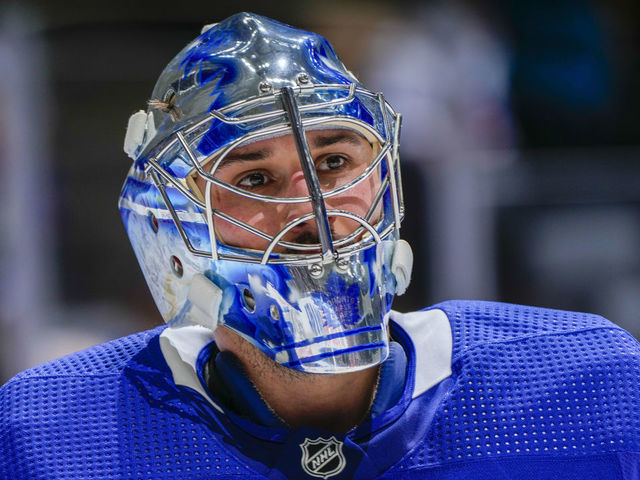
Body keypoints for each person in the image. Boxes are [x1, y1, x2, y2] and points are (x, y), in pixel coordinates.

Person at [1, 12, 640, 480]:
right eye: (254, 178)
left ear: (385, 184)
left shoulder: (589, 382)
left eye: (334, 161)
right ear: (171, 228)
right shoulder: (50, 433)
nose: (311, 210)